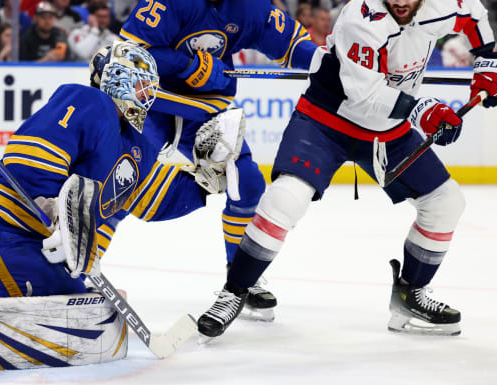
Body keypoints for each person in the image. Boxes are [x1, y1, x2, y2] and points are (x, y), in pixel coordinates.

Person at [0, 41, 226, 373]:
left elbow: (155, 201)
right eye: (139, 82)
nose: (146, 92)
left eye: (150, 85)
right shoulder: (89, 101)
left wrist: (209, 182)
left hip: (22, 243)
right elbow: (36, 152)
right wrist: (54, 209)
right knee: (81, 323)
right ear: (115, 79)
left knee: (93, 313)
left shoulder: (136, 149)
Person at [197, 0, 497, 338]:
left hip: (388, 131)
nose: (399, 2)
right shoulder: (361, 17)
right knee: (286, 199)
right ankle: (235, 291)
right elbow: (364, 96)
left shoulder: (445, 4)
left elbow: (475, 17)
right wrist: (423, 110)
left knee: (446, 203)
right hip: (327, 121)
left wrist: (489, 62)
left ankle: (410, 294)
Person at [119, 0, 317, 321]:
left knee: (249, 184)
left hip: (205, 108)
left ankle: (241, 276)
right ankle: (81, 258)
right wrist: (187, 66)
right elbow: (131, 52)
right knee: (122, 176)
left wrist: (331, 62)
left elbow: (293, 45)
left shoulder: (250, 7)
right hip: (153, 103)